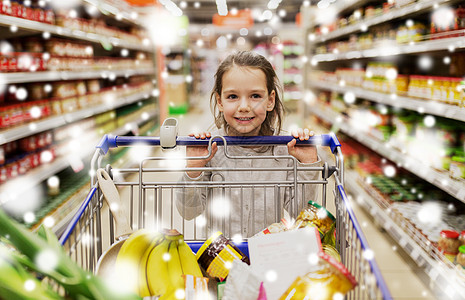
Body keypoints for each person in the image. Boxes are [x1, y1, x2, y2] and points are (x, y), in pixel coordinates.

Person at [175, 50, 321, 238]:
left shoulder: (285, 151)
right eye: (232, 97)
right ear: (220, 101)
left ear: (270, 100)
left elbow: (300, 213)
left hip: (267, 255)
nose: (244, 106)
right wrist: (193, 169)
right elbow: (189, 212)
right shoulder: (210, 150)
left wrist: (308, 166)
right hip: (218, 259)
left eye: (255, 96)